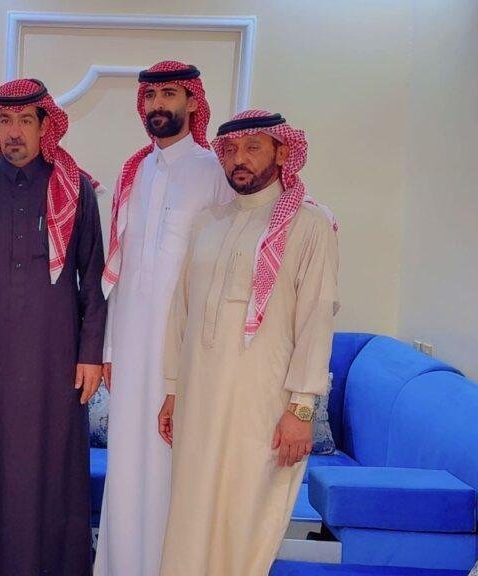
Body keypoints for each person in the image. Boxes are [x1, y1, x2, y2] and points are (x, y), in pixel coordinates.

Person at [0, 78, 106, 576]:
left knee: (53, 474)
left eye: (26, 120)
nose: (14, 132)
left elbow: (93, 278)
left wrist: (90, 354)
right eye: (5, 121)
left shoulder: (74, 191)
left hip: (56, 362)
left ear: (44, 125)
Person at [158, 109, 338, 575]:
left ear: (281, 152)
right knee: (190, 510)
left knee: (245, 514)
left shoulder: (309, 225)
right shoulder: (208, 221)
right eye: (231, 150)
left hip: (262, 403)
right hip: (199, 396)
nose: (239, 159)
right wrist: (173, 390)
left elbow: (316, 319)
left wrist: (301, 409)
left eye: (253, 147)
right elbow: (182, 311)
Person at [94, 60, 231, 576]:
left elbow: (224, 266)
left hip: (184, 350)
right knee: (127, 464)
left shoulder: (214, 171)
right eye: (150, 97)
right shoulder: (136, 170)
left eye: (169, 95)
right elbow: (120, 267)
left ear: (192, 101)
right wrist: (109, 349)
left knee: (172, 465)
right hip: (130, 344)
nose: (157, 106)